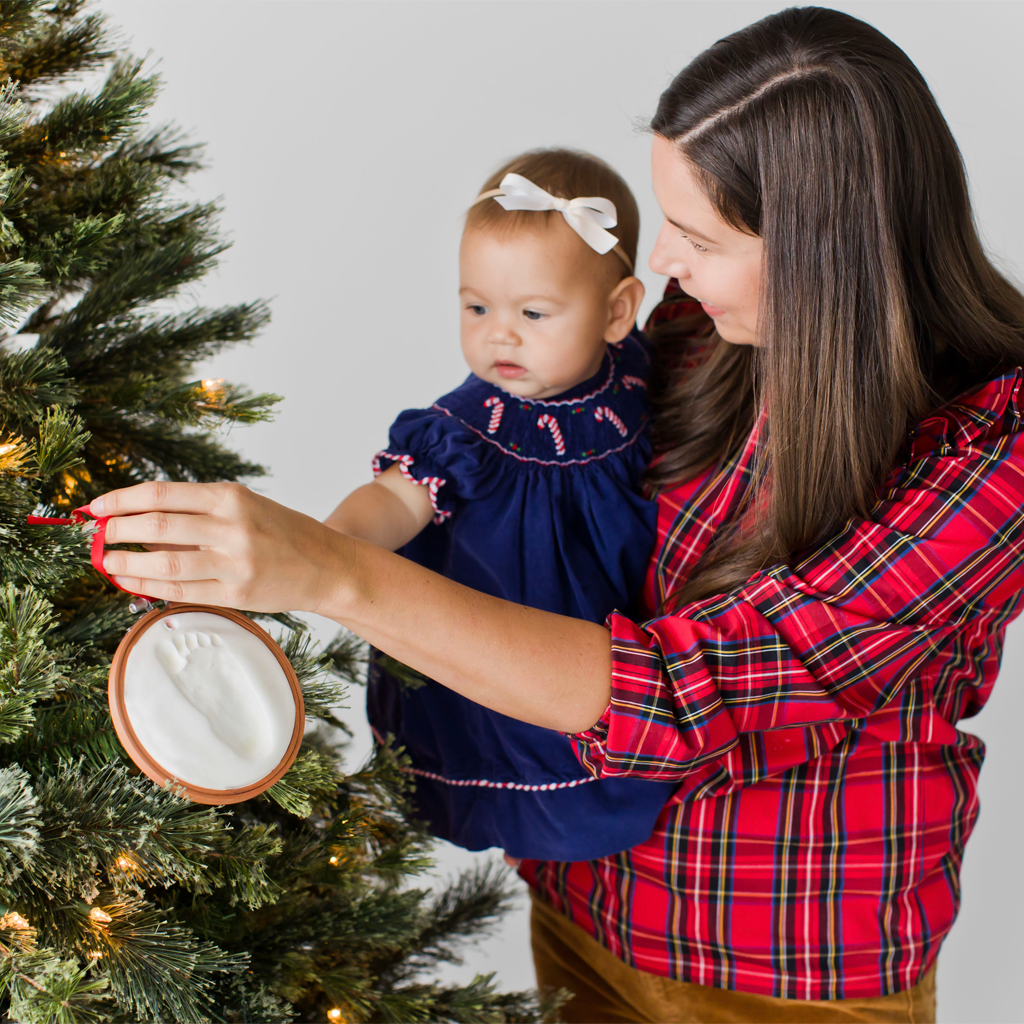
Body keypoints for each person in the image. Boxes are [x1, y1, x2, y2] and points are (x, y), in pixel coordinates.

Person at [86, 7, 1024, 1022]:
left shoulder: (990, 456)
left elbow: (670, 693)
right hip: (583, 896)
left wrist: (329, 572)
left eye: (700, 236)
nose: (662, 260)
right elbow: (512, 444)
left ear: (825, 247)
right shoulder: (698, 333)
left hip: (782, 967)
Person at [323, 147, 677, 862]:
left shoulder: (640, 379)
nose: (499, 333)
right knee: (525, 750)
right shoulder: (465, 430)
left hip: (617, 661)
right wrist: (330, 542)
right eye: (476, 305)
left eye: (534, 312)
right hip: (509, 652)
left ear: (618, 312)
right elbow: (398, 499)